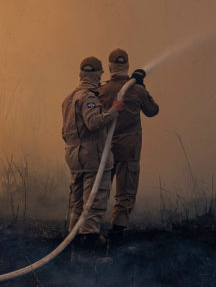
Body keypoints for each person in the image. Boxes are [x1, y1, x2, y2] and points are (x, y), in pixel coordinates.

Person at [61, 56, 123, 255]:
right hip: (93, 159)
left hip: (74, 158)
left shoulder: (68, 98)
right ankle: (88, 252)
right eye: (100, 74)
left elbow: (65, 133)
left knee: (77, 206)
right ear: (97, 74)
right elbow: (94, 122)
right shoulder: (87, 97)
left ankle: (74, 251)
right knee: (93, 204)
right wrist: (113, 111)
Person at [99, 48, 159, 244]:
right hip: (129, 149)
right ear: (127, 66)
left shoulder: (101, 90)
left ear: (110, 67)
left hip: (106, 150)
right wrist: (142, 86)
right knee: (125, 192)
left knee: (100, 189)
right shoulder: (137, 90)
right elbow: (153, 111)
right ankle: (116, 235)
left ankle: (92, 229)